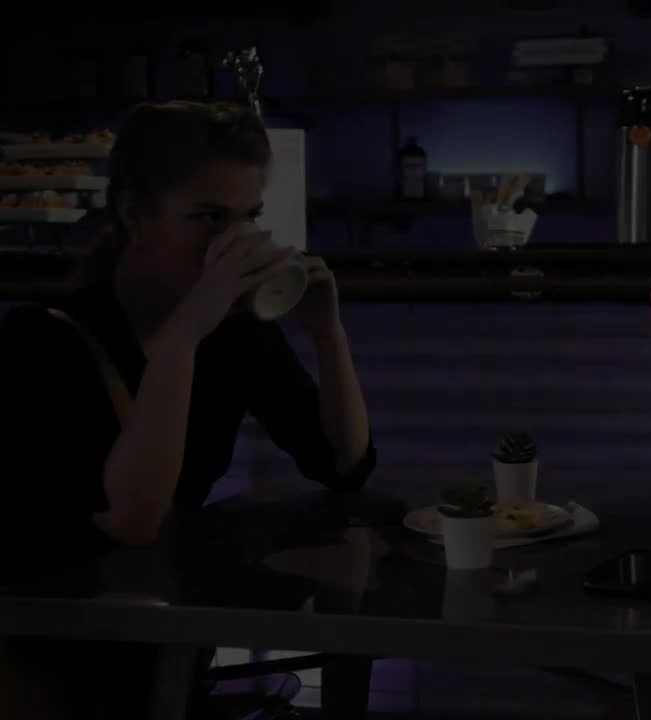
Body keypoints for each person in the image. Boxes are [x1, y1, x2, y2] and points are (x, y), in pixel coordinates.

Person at [0, 101, 376, 718]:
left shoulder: (233, 335)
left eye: (248, 218)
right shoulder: (44, 340)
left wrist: (327, 333)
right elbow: (131, 521)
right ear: (132, 213)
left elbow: (343, 464)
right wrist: (186, 330)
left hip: (163, 646)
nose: (232, 242)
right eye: (208, 217)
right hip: (50, 662)